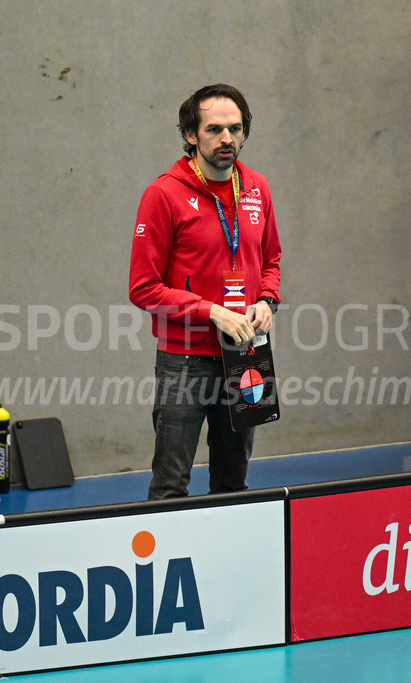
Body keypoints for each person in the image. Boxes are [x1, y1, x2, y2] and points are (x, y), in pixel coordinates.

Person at [129, 84, 282, 500]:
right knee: (170, 485)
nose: (226, 138)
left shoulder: (257, 188)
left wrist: (267, 299)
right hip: (185, 360)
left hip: (246, 354)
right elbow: (143, 288)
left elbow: (271, 260)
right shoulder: (163, 194)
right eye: (214, 129)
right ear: (191, 134)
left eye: (235, 128)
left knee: (234, 485)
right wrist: (211, 311)